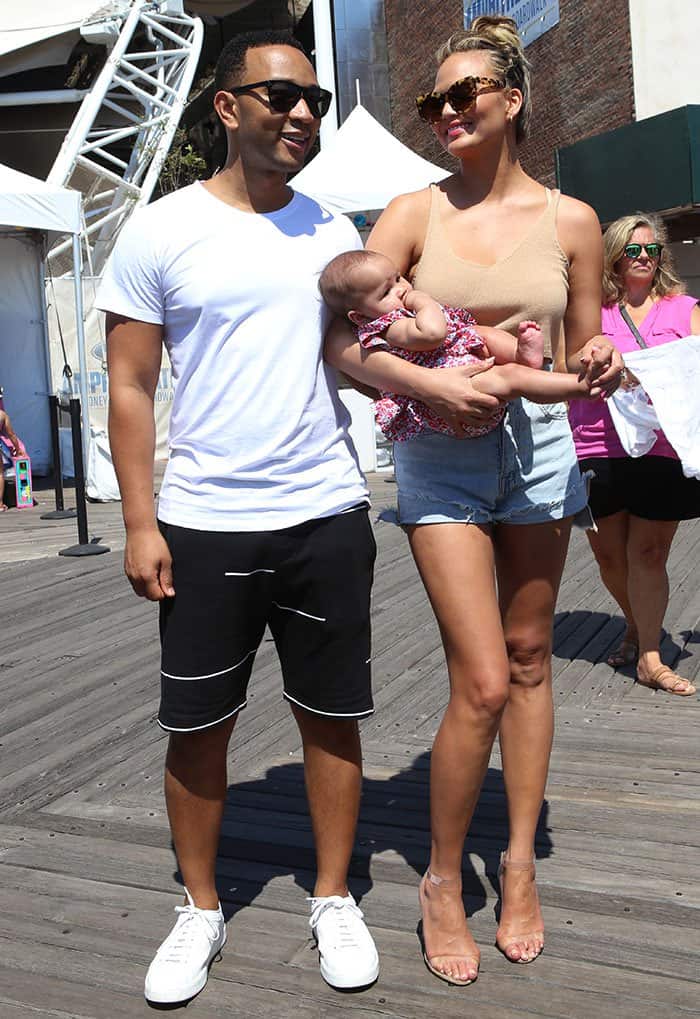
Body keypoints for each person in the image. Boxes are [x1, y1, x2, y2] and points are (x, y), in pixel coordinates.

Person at [325, 15, 622, 986]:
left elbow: (584, 358)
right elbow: (342, 343)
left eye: (462, 95)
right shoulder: (412, 213)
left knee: (533, 659)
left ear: (510, 100)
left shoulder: (572, 221)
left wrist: (601, 361)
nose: (444, 111)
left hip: (537, 453)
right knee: (483, 679)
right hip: (438, 460)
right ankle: (442, 879)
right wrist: (428, 385)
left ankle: (519, 860)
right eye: (432, 100)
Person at [97, 29, 379, 1006]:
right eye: (278, 95)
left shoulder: (336, 232)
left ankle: (334, 894)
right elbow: (129, 384)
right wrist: (140, 518)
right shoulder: (160, 229)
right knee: (197, 725)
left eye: (311, 100)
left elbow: (366, 351)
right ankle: (200, 907)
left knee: (332, 716)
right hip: (205, 520)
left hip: (326, 511)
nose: (300, 112)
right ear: (226, 108)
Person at [569, 212, 700, 696]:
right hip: (596, 440)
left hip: (663, 445)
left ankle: (650, 655)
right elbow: (570, 361)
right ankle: (635, 621)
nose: (644, 257)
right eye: (633, 250)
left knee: (649, 552)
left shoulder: (685, 308)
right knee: (608, 556)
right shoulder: (590, 313)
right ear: (614, 257)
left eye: (652, 250)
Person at [319, 248, 599, 442]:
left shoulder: (394, 311)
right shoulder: (387, 327)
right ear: (359, 316)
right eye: (386, 291)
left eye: (398, 278)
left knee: (482, 333)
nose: (401, 288)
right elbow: (433, 334)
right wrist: (421, 300)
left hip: (461, 367)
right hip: (460, 396)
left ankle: (520, 354)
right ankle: (580, 388)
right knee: (510, 377)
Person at [0, 408, 22, 511]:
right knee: (0, 474)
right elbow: (11, 434)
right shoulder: (2, 415)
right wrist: (18, 449)